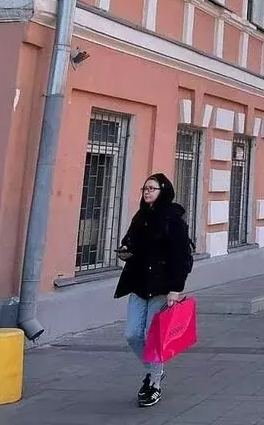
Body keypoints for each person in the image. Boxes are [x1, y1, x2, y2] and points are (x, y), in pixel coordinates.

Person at [114, 173, 193, 408]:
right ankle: (154, 369)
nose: (147, 192)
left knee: (151, 336)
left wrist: (175, 289)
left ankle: (154, 383)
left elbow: (182, 257)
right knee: (132, 334)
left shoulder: (173, 219)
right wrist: (125, 249)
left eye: (152, 188)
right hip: (138, 284)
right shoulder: (140, 216)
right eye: (144, 188)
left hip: (162, 287)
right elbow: (129, 241)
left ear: (163, 190)